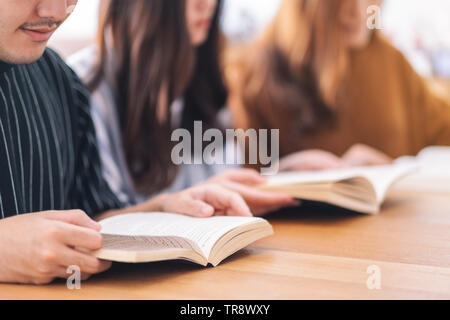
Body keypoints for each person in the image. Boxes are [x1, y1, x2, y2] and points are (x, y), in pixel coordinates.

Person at [0, 0, 270, 285]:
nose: (55, 11)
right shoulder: (87, 80)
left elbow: (93, 216)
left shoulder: (58, 79)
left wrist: (164, 209)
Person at [68, 0, 297, 214]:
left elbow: (220, 184)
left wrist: (282, 175)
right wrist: (167, 206)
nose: (208, 4)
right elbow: (95, 221)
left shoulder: (197, 75)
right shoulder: (83, 87)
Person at [226, 0, 450, 171]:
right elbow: (244, 184)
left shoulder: (391, 61)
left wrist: (394, 172)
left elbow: (441, 130)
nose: (357, 10)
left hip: (396, 227)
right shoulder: (256, 75)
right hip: (305, 228)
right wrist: (283, 172)